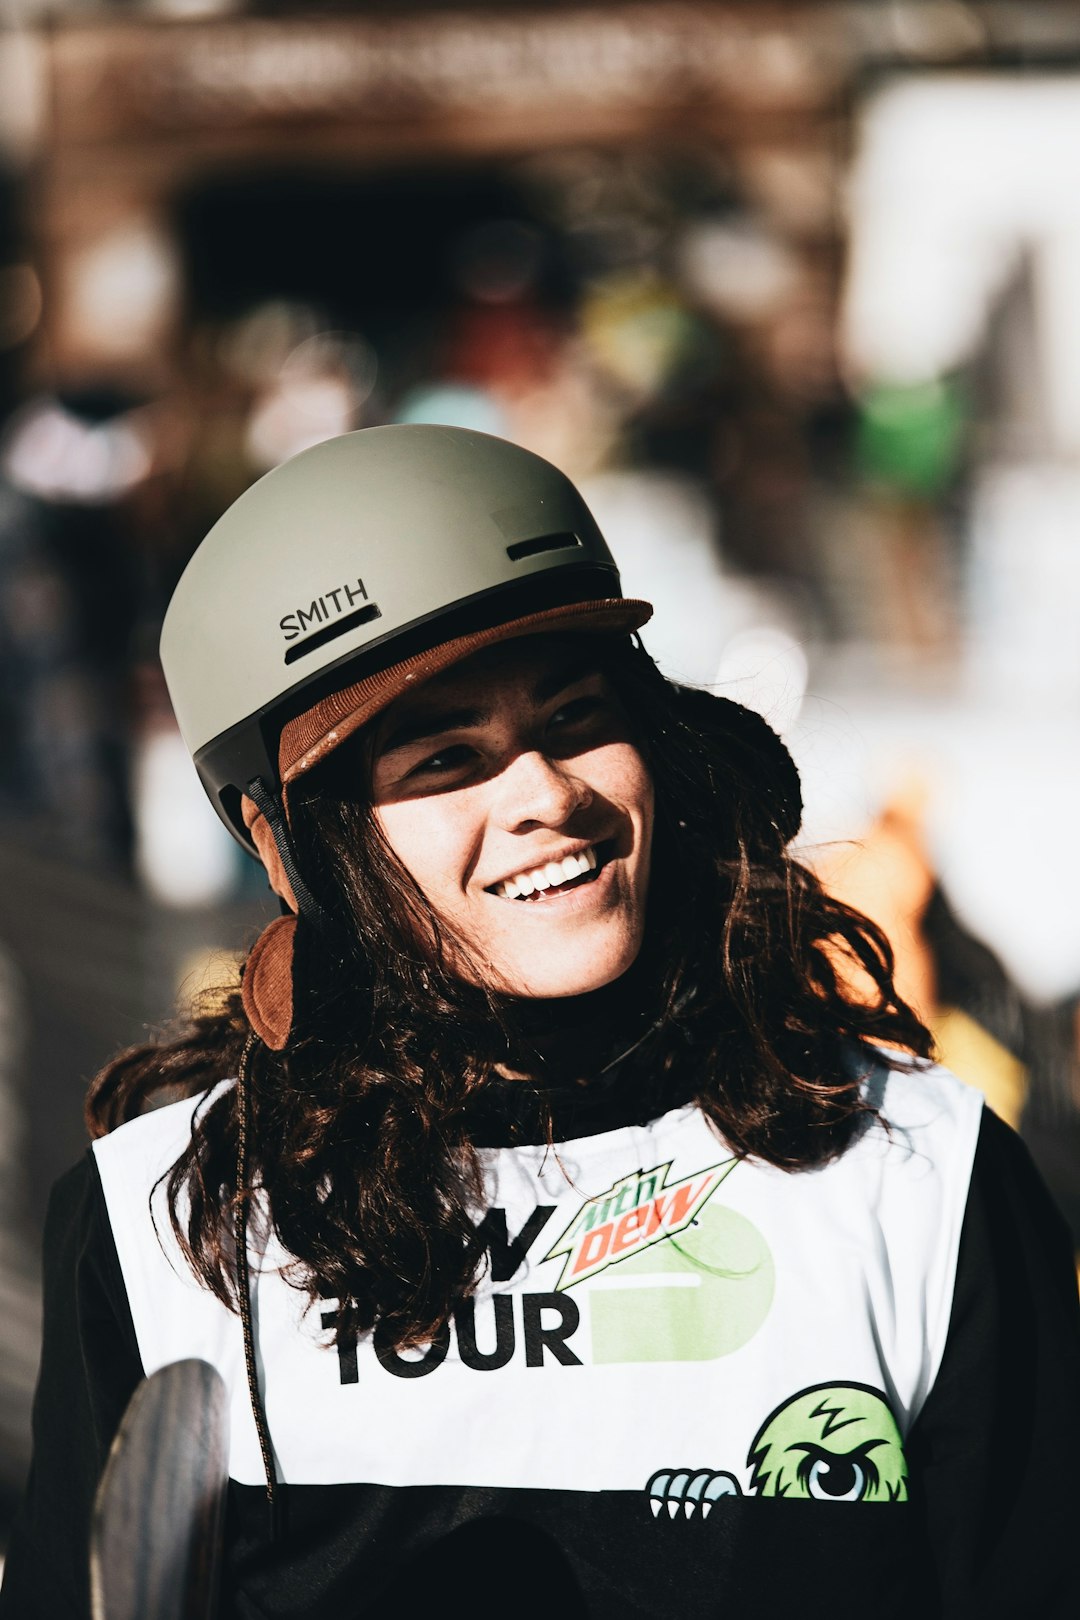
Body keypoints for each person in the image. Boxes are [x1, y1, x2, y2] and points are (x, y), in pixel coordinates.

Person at [2, 426, 1077, 1620]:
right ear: (286, 840)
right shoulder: (167, 1227)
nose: (544, 797)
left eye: (575, 718)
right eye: (445, 759)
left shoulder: (919, 1171)